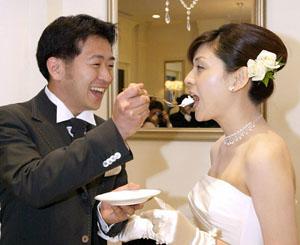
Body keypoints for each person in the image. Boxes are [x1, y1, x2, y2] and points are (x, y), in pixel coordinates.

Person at [108, 23, 299, 244]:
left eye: (200, 67)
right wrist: (159, 227)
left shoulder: (266, 151)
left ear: (237, 79)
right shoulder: (219, 147)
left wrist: (194, 239)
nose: (188, 78)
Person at [0, 14, 150, 245]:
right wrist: (117, 129)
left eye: (110, 65)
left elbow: (101, 221)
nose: (107, 77)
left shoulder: (103, 130)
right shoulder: (12, 119)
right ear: (56, 68)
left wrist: (106, 218)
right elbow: (34, 185)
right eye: (96, 64)